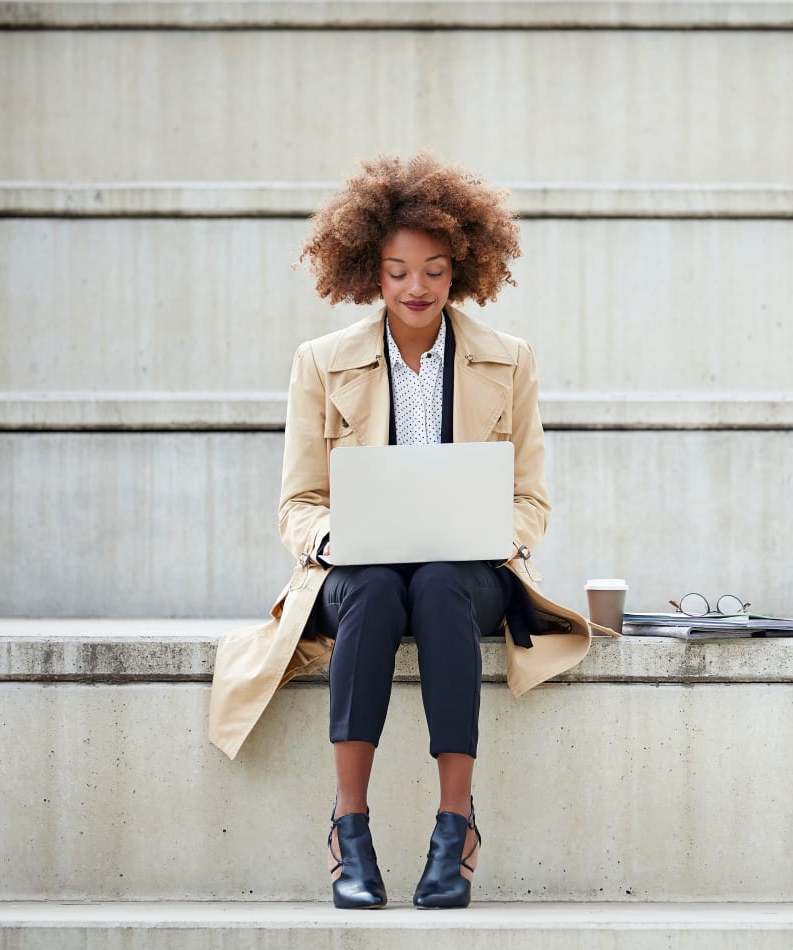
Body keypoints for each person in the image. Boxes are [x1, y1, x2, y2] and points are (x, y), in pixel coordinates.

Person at [208, 153, 594, 910]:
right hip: (357, 574)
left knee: (442, 582)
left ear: (463, 270)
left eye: (434, 269)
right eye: (396, 271)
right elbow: (299, 504)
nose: (416, 288)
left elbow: (531, 500)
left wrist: (492, 532)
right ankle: (348, 826)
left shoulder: (508, 361)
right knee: (379, 586)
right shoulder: (321, 363)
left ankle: (456, 826)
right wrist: (334, 540)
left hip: (468, 572)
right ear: (369, 273)